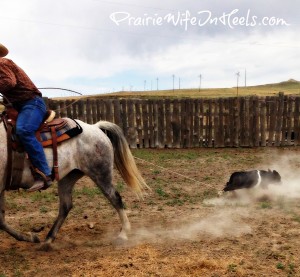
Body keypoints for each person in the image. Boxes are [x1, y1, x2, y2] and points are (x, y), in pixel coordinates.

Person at [0, 43, 52, 192]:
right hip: (20, 106)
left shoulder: (2, 62)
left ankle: (44, 174)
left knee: (24, 130)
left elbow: (10, 82)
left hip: (32, 103)